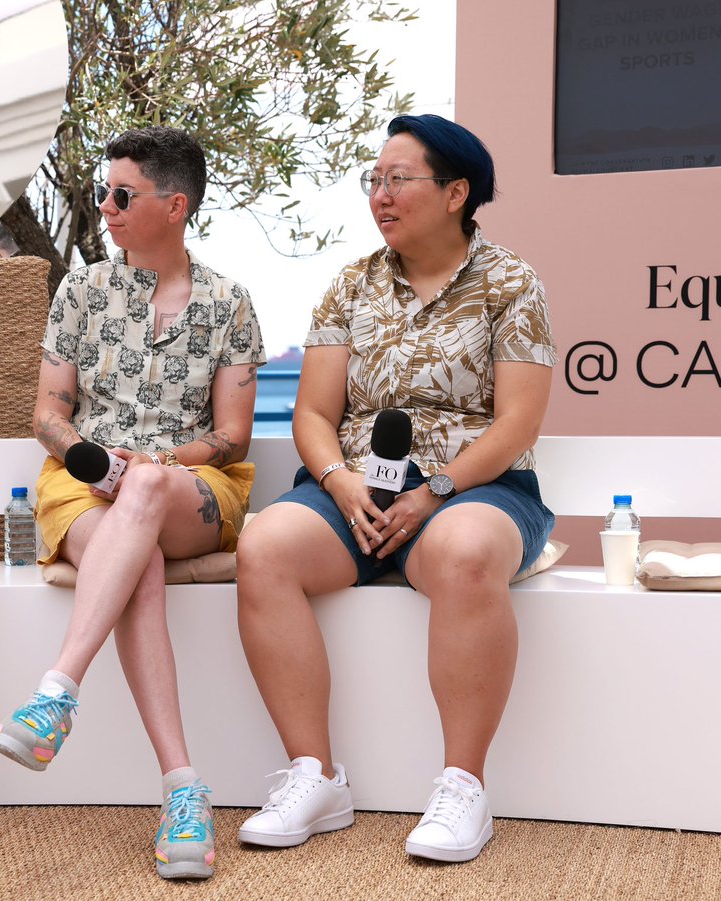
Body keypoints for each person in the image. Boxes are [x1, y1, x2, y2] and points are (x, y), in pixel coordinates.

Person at [235, 114, 556, 863]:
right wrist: (341, 482)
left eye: (397, 179)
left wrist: (435, 489)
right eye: (372, 180)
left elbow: (516, 423)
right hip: (356, 488)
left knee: (467, 550)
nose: (380, 194)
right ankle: (315, 775)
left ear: (455, 193)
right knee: (266, 545)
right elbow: (314, 411)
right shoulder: (351, 283)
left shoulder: (511, 282)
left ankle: (462, 786)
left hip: (478, 485)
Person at [0, 126, 265, 880]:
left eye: (120, 194)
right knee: (132, 558)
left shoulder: (229, 303)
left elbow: (233, 438)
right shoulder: (80, 291)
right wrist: (90, 457)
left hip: (190, 489)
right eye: (100, 193)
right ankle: (184, 789)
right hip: (82, 481)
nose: (103, 207)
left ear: (175, 206)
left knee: (143, 490)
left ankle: (56, 692)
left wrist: (152, 464)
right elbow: (47, 412)